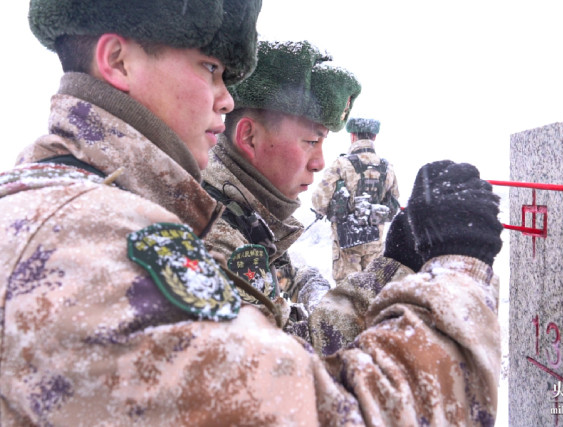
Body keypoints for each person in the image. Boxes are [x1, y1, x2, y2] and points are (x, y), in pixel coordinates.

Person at [0, 1, 504, 425]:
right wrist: (457, 271)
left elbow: (282, 349)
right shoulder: (87, 242)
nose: (226, 99)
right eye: (211, 68)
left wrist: (394, 264)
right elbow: (327, 411)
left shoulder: (98, 207)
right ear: (119, 61)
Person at [201, 40, 361, 329]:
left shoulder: (246, 213)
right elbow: (299, 356)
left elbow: (286, 275)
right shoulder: (220, 239)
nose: (319, 162)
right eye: (311, 141)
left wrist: (314, 287)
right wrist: (395, 268)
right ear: (249, 137)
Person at [312, 117, 400, 282]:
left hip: (347, 242)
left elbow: (319, 200)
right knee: (372, 289)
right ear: (374, 137)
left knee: (346, 294)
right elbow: (394, 201)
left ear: (352, 136)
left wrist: (328, 211)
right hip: (375, 240)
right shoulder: (387, 167)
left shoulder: (341, 164)